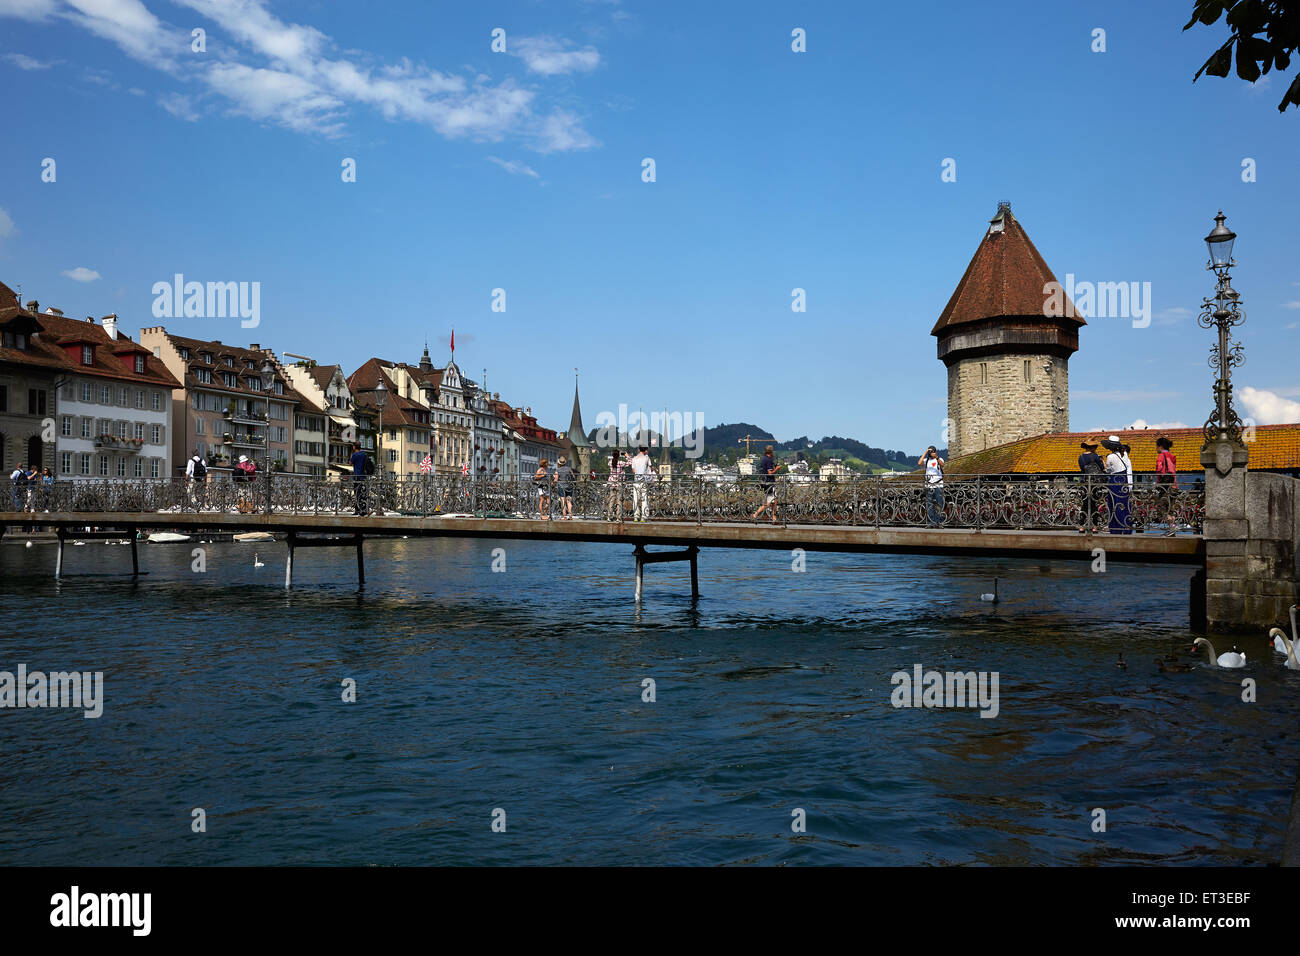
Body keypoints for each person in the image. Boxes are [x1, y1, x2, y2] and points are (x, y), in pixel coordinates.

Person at [1102, 436, 1131, 534]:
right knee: (1123, 503)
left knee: (1114, 503)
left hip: (1114, 480)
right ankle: (1125, 526)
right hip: (1124, 480)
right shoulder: (1124, 454)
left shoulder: (1110, 456)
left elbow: (1108, 470)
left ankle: (1115, 527)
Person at [1077, 438, 1105, 533]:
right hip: (1094, 483)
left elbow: (1082, 470)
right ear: (1092, 447)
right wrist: (1102, 460)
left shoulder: (1080, 457)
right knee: (1094, 505)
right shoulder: (1095, 456)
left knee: (1084, 505)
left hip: (1085, 482)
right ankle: (1094, 527)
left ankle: (1081, 526)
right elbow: (1101, 468)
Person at [750, 445, 783, 523]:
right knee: (769, 503)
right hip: (769, 483)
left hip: (766, 482)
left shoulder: (764, 459)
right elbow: (770, 473)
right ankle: (756, 514)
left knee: (774, 500)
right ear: (771, 452)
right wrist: (777, 469)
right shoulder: (768, 460)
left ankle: (773, 516)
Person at [1155, 435, 1178, 535]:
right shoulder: (1171, 456)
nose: (1156, 448)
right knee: (1171, 508)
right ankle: (1172, 528)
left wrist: (1158, 483)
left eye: (1156, 446)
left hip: (1165, 486)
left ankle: (1172, 527)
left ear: (1160, 447)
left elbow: (1159, 469)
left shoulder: (1161, 456)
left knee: (1161, 506)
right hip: (1174, 485)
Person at [918, 446, 944, 526]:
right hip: (929, 485)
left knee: (939, 504)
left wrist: (936, 457)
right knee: (929, 504)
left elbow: (942, 465)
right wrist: (925, 452)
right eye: (931, 452)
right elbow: (919, 463)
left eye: (933, 451)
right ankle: (930, 522)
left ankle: (938, 521)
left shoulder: (939, 459)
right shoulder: (927, 460)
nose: (932, 453)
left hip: (938, 484)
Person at [628, 446, 653, 522]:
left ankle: (636, 516)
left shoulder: (634, 458)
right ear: (645, 451)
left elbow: (633, 470)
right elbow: (651, 467)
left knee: (635, 499)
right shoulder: (646, 458)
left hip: (636, 481)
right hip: (644, 481)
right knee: (644, 499)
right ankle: (644, 517)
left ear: (639, 450)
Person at [605, 448, 629, 520]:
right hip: (619, 484)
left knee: (611, 500)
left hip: (612, 484)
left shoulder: (610, 462)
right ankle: (618, 517)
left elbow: (612, 463)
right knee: (619, 501)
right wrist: (627, 456)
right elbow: (629, 463)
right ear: (618, 455)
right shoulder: (621, 463)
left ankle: (609, 516)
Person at [349, 443, 370, 515]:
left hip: (357, 476)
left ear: (354, 447)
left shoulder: (355, 455)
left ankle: (358, 510)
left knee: (357, 493)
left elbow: (350, 463)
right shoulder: (364, 454)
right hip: (364, 476)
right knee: (363, 493)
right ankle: (364, 509)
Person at [553, 455, 576, 519]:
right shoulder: (569, 469)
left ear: (559, 463)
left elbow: (556, 479)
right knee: (568, 501)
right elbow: (573, 477)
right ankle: (570, 515)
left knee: (563, 501)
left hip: (561, 486)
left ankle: (564, 516)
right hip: (569, 486)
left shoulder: (557, 470)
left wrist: (553, 480)